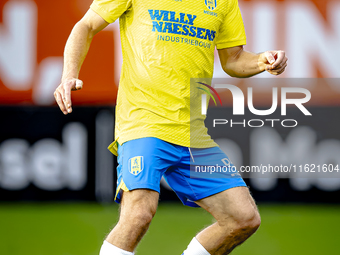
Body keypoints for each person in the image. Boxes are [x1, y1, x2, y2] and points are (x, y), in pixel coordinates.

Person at [54, 0, 288, 254]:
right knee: (139, 214)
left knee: (242, 218)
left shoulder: (224, 2)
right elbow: (86, 25)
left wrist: (263, 62)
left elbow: (233, 59)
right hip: (143, 121)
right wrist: (68, 75)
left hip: (192, 132)